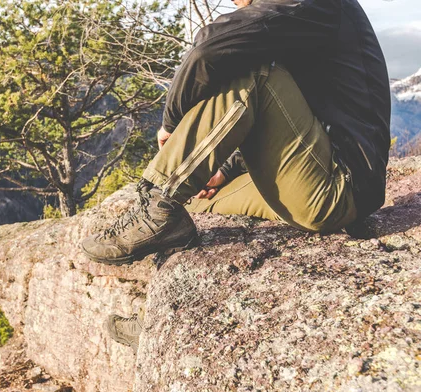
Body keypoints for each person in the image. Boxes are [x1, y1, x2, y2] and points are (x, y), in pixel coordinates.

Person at [81, 0, 391, 349]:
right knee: (195, 205)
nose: (235, 3)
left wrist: (171, 122)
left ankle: (158, 199)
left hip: (337, 186)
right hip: (315, 178)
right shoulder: (300, 24)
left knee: (254, 70)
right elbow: (290, 121)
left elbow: (211, 44)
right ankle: (166, 325)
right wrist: (224, 171)